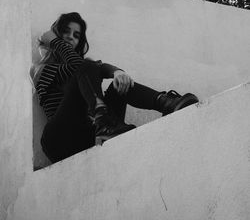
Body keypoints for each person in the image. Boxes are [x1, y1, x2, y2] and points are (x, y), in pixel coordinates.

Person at [31, 12, 198, 163]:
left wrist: (117, 73)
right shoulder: (40, 70)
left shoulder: (82, 71)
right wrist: (54, 41)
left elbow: (92, 67)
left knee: (117, 84)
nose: (70, 37)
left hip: (87, 136)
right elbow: (79, 65)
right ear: (55, 36)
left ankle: (166, 103)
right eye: (65, 32)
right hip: (59, 140)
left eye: (76, 35)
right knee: (86, 65)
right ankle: (103, 122)